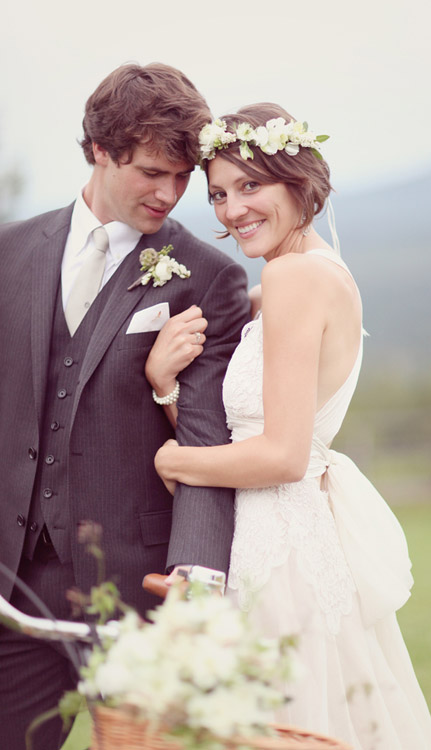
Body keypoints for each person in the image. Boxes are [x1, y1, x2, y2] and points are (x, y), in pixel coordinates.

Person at [154, 103, 431, 749]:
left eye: (251, 186)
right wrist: (166, 385)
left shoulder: (294, 278)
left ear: (297, 176)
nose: (232, 211)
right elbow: (245, 429)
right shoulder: (309, 275)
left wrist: (172, 462)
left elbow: (282, 454)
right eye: (220, 194)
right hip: (279, 538)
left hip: (277, 557)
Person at [0, 63, 250, 750]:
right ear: (100, 151)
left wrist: (194, 578)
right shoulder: (10, 254)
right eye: (151, 172)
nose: (170, 194)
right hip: (13, 591)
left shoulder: (207, 275)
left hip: (138, 596)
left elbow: (204, 437)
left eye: (181, 176)